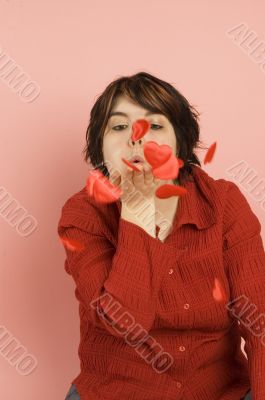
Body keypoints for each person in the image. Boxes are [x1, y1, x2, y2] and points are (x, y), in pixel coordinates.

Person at [58, 72, 265, 399]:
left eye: (154, 125)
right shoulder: (82, 214)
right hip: (118, 391)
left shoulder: (224, 203)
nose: (136, 137)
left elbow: (260, 325)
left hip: (219, 391)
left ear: (181, 142)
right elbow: (125, 323)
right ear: (99, 145)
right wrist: (138, 210)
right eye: (119, 126)